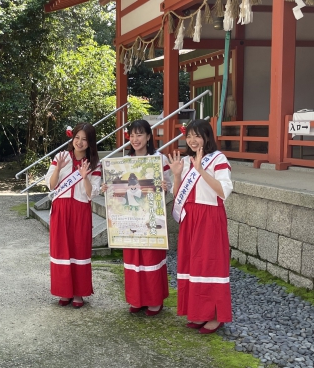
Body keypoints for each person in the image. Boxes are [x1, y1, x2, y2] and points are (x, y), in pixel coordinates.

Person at [167, 120, 233, 334]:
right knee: (191, 264)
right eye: (189, 136)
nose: (193, 140)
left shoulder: (218, 159)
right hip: (190, 217)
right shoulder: (185, 160)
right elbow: (177, 196)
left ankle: (214, 315)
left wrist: (202, 171)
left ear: (207, 137)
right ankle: (197, 313)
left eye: (197, 136)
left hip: (209, 217)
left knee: (209, 264)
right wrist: (176, 174)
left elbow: (223, 191)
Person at [104, 119, 171, 316]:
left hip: (149, 215)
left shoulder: (160, 159)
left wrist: (167, 187)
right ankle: (136, 298)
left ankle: (154, 300)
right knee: (133, 257)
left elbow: (169, 185)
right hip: (130, 217)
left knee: (151, 256)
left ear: (149, 136)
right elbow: (117, 189)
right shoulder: (125, 162)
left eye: (139, 134)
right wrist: (108, 188)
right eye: (132, 135)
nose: (135, 139)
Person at [45, 123, 101, 308]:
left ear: (90, 142)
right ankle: (64, 291)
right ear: (72, 138)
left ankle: (78, 293)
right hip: (61, 209)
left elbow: (91, 194)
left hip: (80, 210)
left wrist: (84, 177)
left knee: (79, 249)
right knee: (61, 249)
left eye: (85, 139)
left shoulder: (94, 164)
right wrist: (59, 167)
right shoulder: (60, 157)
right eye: (77, 137)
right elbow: (51, 186)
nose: (79, 142)